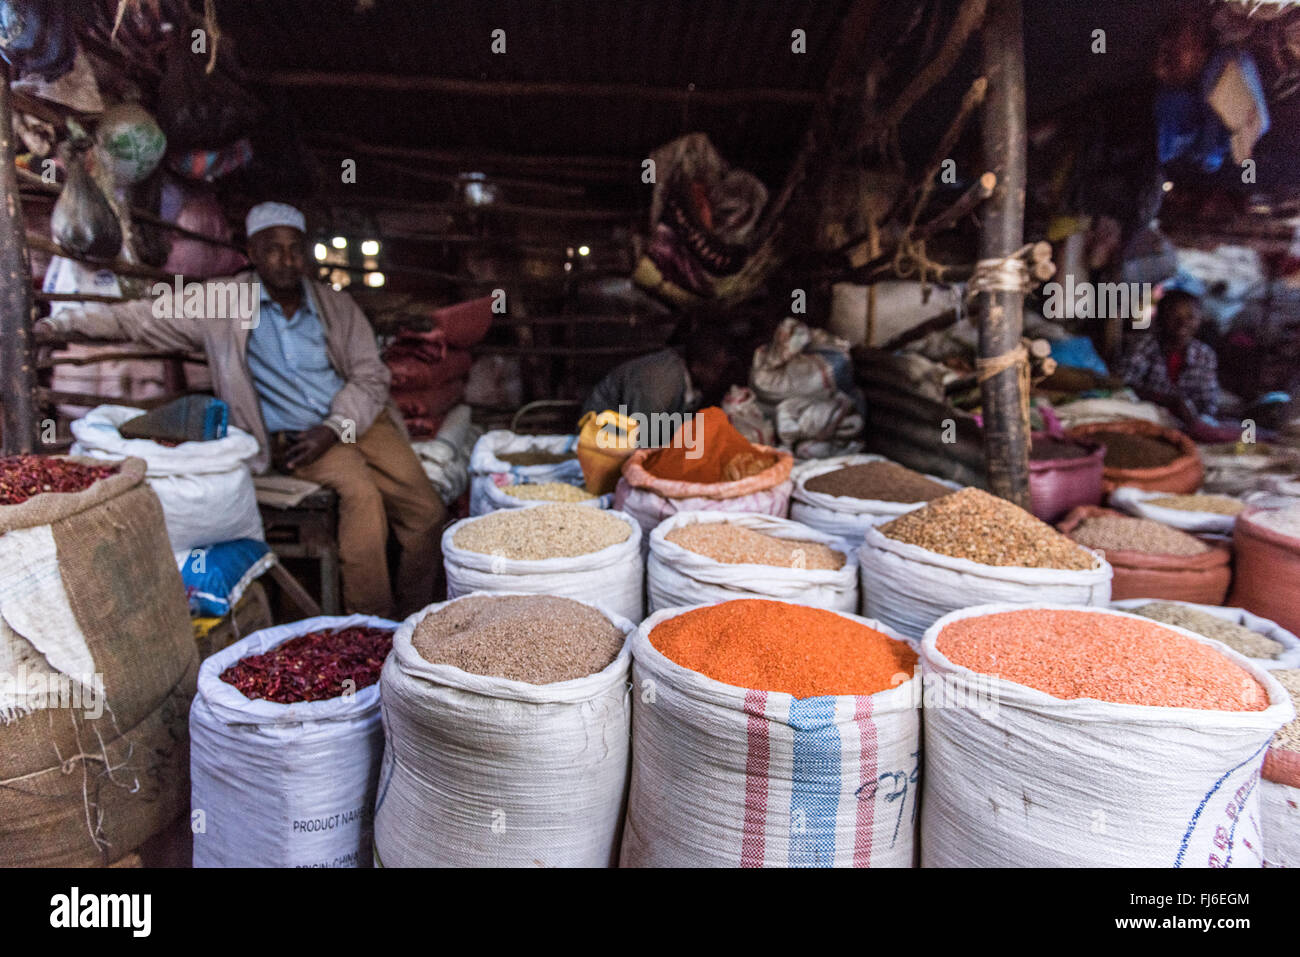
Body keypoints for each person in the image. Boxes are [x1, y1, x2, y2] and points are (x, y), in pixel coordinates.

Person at [36, 201, 446, 619]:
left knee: (427, 513)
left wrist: (336, 424)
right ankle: (373, 625)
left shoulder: (335, 306)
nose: (285, 259)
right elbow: (138, 319)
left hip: (356, 421)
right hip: (305, 440)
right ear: (250, 253)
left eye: (294, 247)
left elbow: (370, 375)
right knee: (362, 499)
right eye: (272, 248)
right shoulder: (221, 303)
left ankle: (415, 614)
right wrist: (60, 325)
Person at [1116, 288, 1220, 427]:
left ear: (1199, 320)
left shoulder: (1205, 355)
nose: (1182, 323)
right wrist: (1169, 401)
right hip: (1145, 414)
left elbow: (1208, 403)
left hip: (1187, 422)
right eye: (1174, 316)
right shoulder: (1145, 345)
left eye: (1190, 317)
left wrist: (1197, 419)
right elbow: (1123, 386)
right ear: (1160, 318)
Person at [581, 327, 734, 421]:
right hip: (602, 433)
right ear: (697, 366)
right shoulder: (659, 383)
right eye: (717, 369)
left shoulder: (689, 382)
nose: (720, 376)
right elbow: (644, 439)